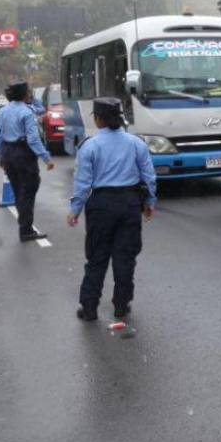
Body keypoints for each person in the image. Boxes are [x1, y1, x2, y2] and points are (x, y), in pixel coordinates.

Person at [67, 98, 157, 322]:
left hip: (101, 205)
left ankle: (89, 308)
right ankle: (121, 305)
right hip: (129, 204)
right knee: (125, 258)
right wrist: (149, 203)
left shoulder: (90, 146)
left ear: (98, 119)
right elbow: (149, 176)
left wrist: (75, 209)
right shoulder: (136, 143)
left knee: (97, 258)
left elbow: (82, 184)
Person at [0, 80, 55, 241]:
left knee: (17, 190)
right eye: (28, 91)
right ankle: (26, 229)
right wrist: (46, 158)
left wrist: (1, 156)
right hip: (23, 153)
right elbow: (33, 139)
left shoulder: (3, 111)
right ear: (24, 94)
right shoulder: (27, 112)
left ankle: (24, 226)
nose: (29, 94)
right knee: (28, 190)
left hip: (8, 152)